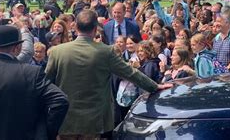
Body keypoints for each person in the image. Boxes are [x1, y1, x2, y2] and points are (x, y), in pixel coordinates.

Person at [45, 10, 171, 139]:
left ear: (76, 27)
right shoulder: (106, 52)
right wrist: (154, 86)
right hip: (93, 119)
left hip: (66, 119)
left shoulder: (57, 52)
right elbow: (131, 73)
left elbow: (46, 83)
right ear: (95, 29)